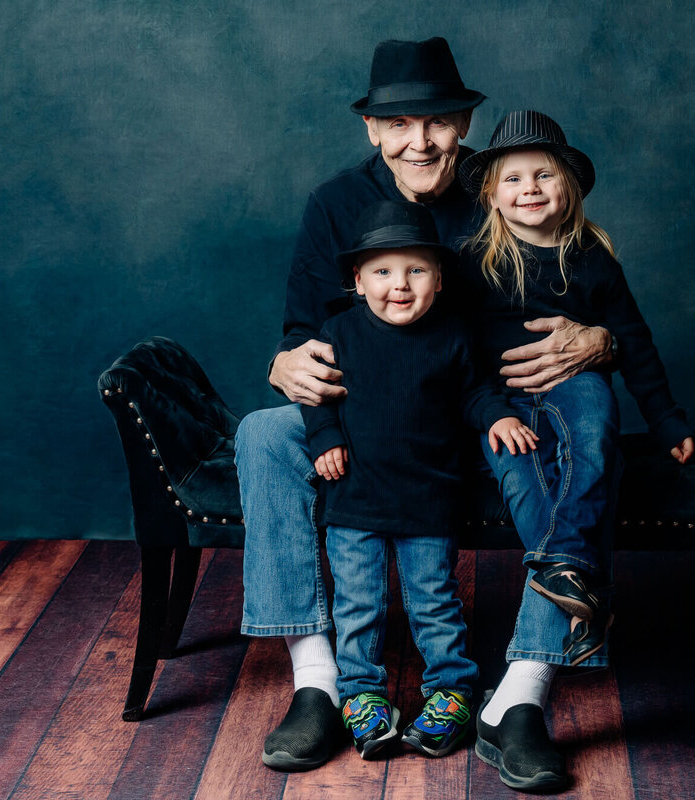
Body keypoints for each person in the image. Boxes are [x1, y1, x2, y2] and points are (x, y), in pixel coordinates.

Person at [234, 38, 612, 788]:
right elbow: (299, 329)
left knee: (584, 415)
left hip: (498, 399)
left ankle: (521, 696)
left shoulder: (501, 188)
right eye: (399, 124)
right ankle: (319, 683)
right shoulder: (334, 205)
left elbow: (591, 283)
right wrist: (284, 362)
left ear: (465, 124)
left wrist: (599, 339)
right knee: (262, 433)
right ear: (371, 130)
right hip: (375, 413)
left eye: (437, 122)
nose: (420, 141)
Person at [455, 109, 695, 790]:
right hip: (503, 406)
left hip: (574, 386)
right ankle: (576, 589)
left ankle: (565, 567)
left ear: (570, 187)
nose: (530, 188)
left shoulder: (591, 258)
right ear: (492, 194)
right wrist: (493, 411)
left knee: (595, 425)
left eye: (544, 175)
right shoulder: (476, 260)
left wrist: (669, 419)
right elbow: (459, 354)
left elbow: (636, 341)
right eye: (514, 178)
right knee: (527, 481)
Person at [302, 200, 537, 760]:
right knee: (357, 604)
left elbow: (476, 391)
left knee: (433, 600)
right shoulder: (338, 331)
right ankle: (360, 693)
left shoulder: (454, 336)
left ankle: (451, 689)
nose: (398, 285)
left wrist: (499, 415)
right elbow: (315, 398)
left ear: (439, 278)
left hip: (429, 497)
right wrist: (324, 440)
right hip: (354, 499)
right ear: (357, 281)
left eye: (416, 270)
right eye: (382, 272)